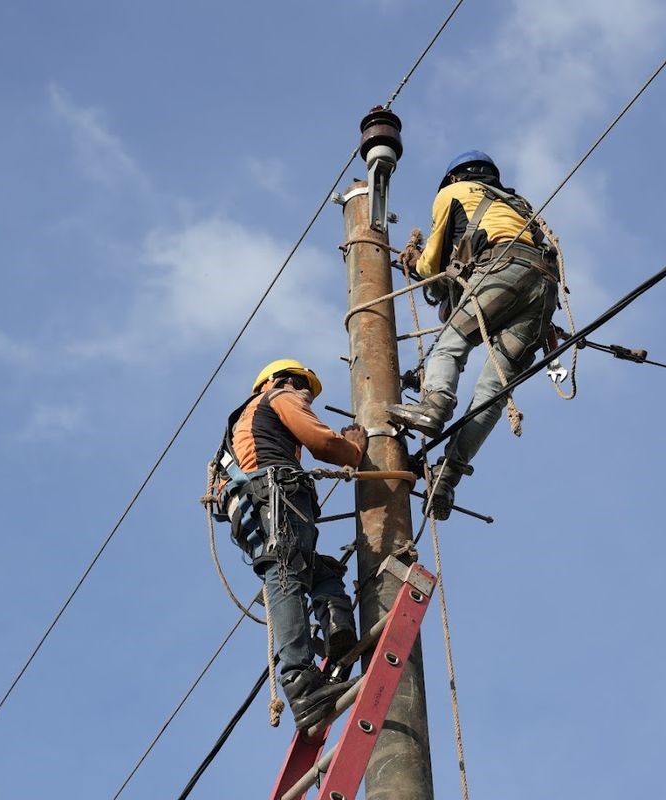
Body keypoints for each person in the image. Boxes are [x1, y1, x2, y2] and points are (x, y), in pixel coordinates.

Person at [389, 151, 560, 520]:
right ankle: (446, 477)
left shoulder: (455, 192)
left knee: (451, 343)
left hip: (503, 271)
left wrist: (414, 260)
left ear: (454, 177)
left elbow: (432, 264)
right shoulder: (517, 206)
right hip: (543, 292)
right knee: (493, 393)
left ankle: (434, 408)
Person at [213, 358, 368, 730]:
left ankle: (337, 627)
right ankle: (301, 683)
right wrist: (354, 448)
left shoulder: (239, 428)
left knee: (314, 568)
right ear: (279, 380)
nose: (305, 396)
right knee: (286, 571)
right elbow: (320, 440)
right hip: (275, 494)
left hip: (252, 509)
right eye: (303, 387)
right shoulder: (278, 396)